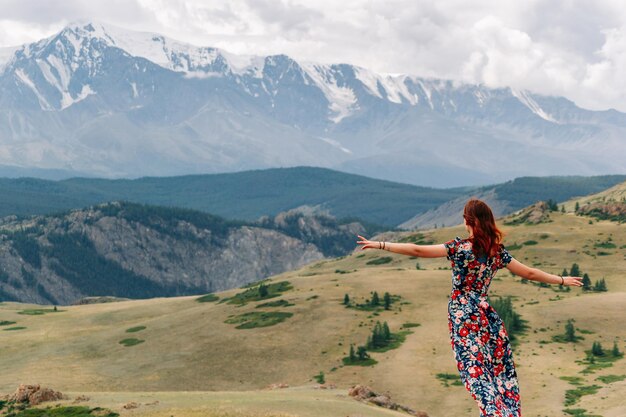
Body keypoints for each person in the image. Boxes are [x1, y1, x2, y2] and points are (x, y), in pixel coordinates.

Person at [356, 198, 582, 417]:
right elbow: (530, 273)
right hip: (486, 316)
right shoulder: (497, 252)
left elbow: (418, 250)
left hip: (463, 315)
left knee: (474, 370)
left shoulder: (460, 249)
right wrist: (561, 280)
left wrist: (381, 244)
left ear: (469, 221)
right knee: (497, 371)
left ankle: (492, 413)